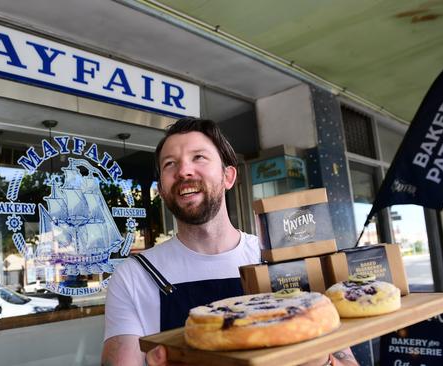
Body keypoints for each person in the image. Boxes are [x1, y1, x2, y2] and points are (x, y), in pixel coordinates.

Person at [102, 118, 358, 366]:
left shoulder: (282, 260)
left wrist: (320, 360)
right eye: (170, 164)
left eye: (198, 157)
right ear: (161, 188)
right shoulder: (133, 277)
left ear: (228, 176)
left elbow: (346, 361)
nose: (183, 170)